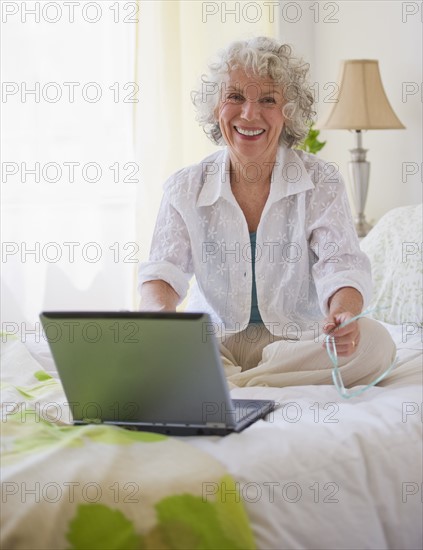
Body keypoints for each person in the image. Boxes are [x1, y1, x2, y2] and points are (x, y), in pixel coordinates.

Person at [138, 36, 396, 389]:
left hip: (299, 341)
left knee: (376, 344)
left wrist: (344, 314)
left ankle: (231, 384)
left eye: (268, 100)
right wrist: (159, 317)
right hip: (215, 342)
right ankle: (233, 375)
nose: (249, 113)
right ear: (217, 107)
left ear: (288, 113)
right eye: (235, 97)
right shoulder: (185, 187)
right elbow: (162, 273)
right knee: (135, 339)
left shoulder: (321, 181)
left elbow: (342, 266)